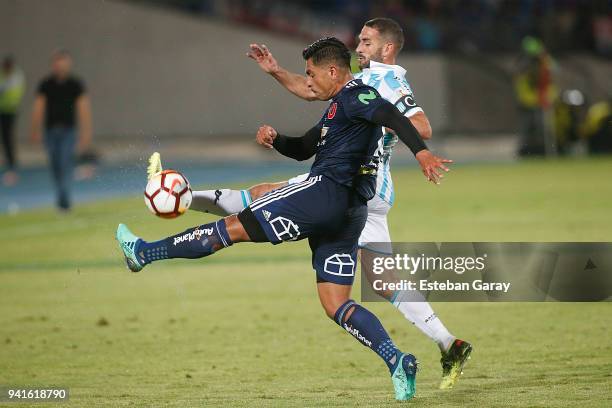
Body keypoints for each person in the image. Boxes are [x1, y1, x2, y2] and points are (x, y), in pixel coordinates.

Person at [118, 37, 451, 400]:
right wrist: (277, 140)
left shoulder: (358, 95)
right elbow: (305, 148)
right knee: (335, 302)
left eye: (311, 74)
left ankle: (144, 253)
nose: (308, 81)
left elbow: (390, 114)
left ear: (333, 71)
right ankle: (397, 361)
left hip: (322, 195)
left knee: (231, 228)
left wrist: (421, 154)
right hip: (350, 212)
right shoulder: (339, 108)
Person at [30, 50, 92, 211]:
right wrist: (35, 129)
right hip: (50, 131)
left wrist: (85, 133)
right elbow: (38, 107)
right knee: (55, 164)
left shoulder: (75, 84)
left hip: (68, 131)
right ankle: (61, 195)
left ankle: (64, 200)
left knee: (65, 162)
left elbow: (83, 108)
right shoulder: (46, 84)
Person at [0, 56, 25, 186]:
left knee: (8, 137)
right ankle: (7, 160)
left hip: (10, 111)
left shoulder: (16, 76)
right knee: (4, 138)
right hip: (1, 109)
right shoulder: (2, 74)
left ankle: (12, 162)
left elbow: (14, 92)